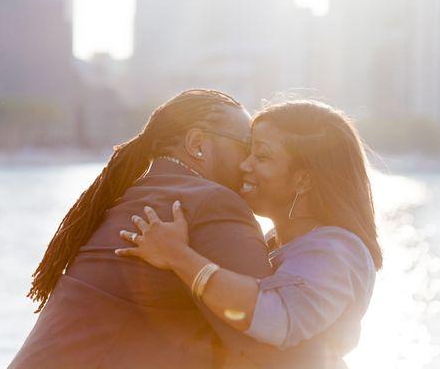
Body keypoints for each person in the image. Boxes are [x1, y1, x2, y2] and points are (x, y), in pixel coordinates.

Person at [10, 89, 293, 368]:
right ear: (197, 143)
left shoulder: (129, 198)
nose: (248, 164)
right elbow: (267, 339)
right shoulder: (212, 203)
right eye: (246, 146)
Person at [115, 100, 383, 368]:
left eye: (262, 156)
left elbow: (278, 320)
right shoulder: (274, 242)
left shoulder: (335, 250)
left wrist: (179, 256)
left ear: (303, 180)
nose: (244, 165)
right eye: (247, 151)